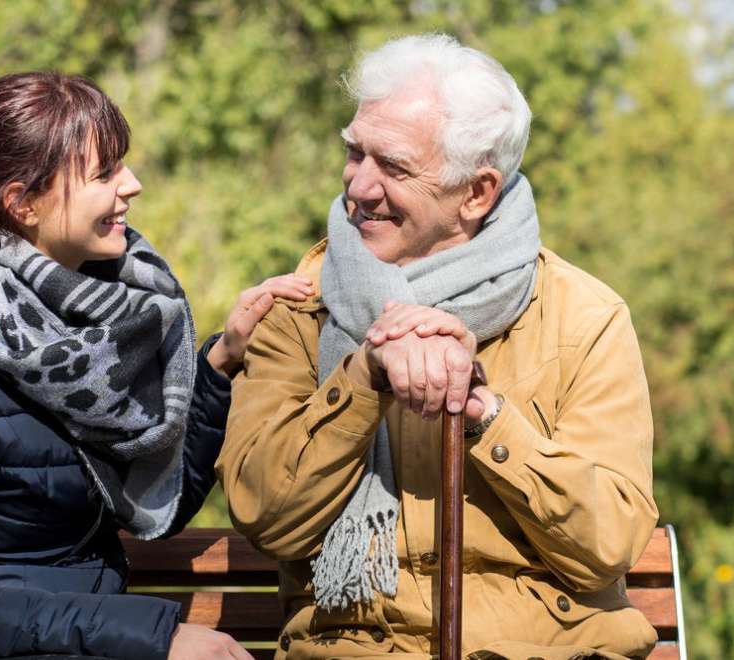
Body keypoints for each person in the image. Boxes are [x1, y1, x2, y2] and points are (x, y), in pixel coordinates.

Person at [0, 71, 308, 659]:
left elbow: (159, 504)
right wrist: (158, 638)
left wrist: (221, 361)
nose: (131, 185)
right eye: (104, 173)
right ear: (22, 203)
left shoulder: (91, 346)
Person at [217, 35, 660, 659]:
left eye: (393, 166)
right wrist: (366, 375)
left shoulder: (584, 315)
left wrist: (483, 415)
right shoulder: (298, 305)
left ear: (476, 193)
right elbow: (265, 516)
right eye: (354, 152)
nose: (359, 187)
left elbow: (606, 544)